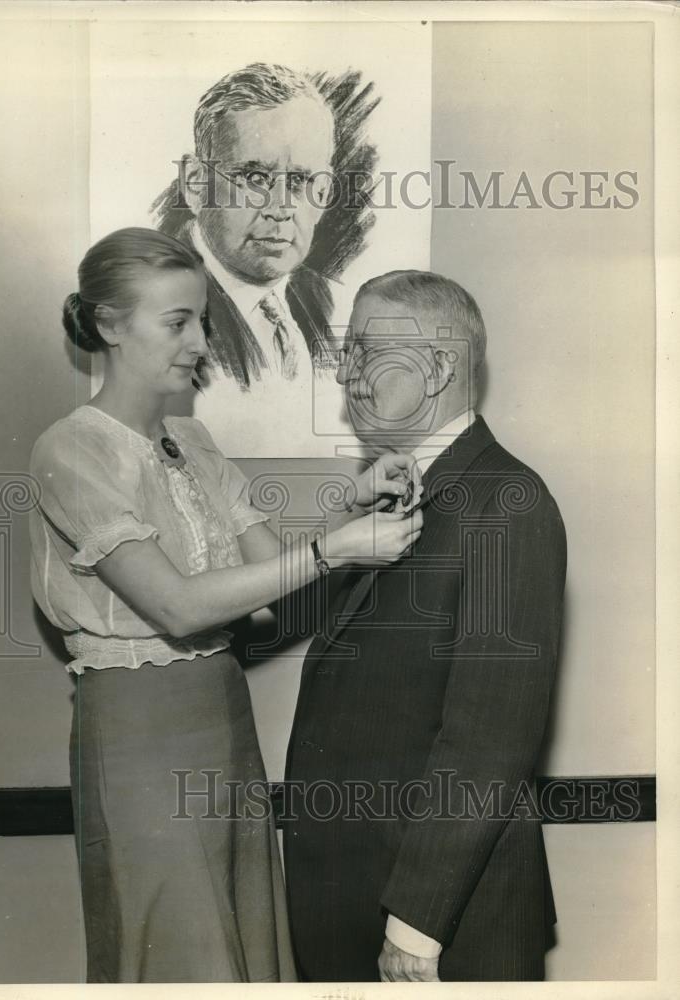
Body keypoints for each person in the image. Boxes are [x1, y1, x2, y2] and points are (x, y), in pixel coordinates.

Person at [28, 228, 423, 983]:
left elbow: (277, 595)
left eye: (202, 320)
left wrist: (349, 507)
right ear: (109, 326)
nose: (199, 341)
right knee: (181, 953)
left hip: (222, 718)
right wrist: (335, 549)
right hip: (138, 731)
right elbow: (176, 608)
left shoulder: (194, 440)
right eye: (176, 321)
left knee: (240, 950)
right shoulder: (70, 451)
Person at [284, 271, 567, 982]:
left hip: (437, 926)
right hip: (355, 899)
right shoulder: (402, 496)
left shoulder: (508, 502)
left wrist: (415, 928)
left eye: (368, 350)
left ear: (440, 366)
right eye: (345, 352)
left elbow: (488, 741)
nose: (346, 372)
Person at [157, 63, 352, 456]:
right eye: (255, 179)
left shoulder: (338, 306)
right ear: (196, 184)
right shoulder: (155, 308)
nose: (280, 209)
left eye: (299, 182)